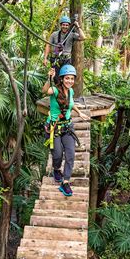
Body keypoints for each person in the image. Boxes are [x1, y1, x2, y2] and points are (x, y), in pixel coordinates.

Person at [42, 64, 89, 196]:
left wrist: (79, 113)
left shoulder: (71, 92)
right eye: (67, 78)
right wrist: (49, 78)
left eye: (72, 79)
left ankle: (65, 182)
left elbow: (71, 104)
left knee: (70, 154)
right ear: (62, 79)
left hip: (67, 127)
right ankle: (56, 169)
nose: (70, 81)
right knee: (57, 154)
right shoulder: (55, 91)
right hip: (54, 127)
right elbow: (46, 91)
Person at [43, 16, 85, 83]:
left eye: (67, 25)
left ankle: (64, 93)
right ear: (60, 25)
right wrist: (45, 58)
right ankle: (57, 92)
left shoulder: (71, 35)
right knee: (56, 78)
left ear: (68, 26)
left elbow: (83, 37)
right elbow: (48, 45)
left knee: (65, 78)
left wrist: (78, 26)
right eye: (63, 25)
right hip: (55, 59)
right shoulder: (54, 34)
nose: (65, 27)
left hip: (66, 60)